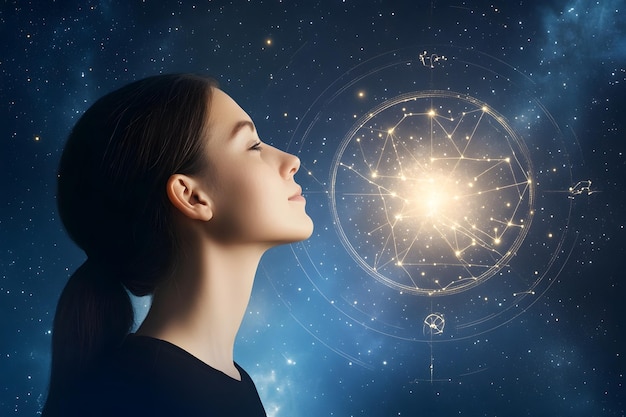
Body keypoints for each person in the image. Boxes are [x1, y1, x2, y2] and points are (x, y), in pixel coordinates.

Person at [41, 73, 314, 416]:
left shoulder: (227, 381)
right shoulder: (141, 393)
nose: (291, 161)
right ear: (192, 196)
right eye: (253, 146)